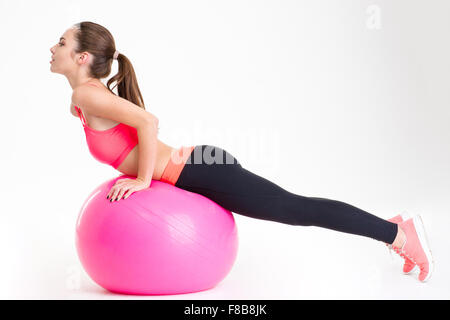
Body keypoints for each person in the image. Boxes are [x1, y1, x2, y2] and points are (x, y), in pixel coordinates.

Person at [50, 21, 434, 282]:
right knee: (295, 207)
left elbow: (148, 122)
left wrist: (142, 180)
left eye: (63, 42)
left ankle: (398, 234)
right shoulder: (84, 98)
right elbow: (122, 128)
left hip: (199, 170)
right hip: (197, 166)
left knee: (296, 210)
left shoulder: (86, 93)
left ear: (83, 58)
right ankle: (396, 228)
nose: (53, 48)